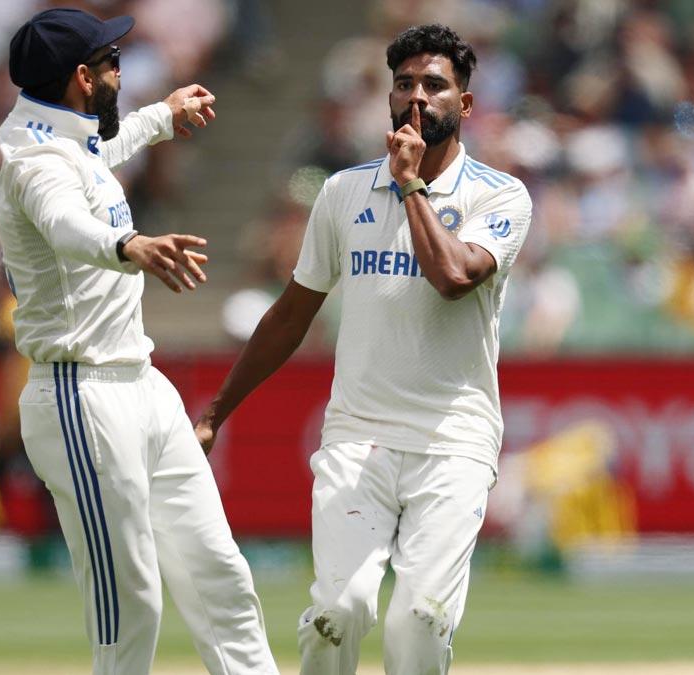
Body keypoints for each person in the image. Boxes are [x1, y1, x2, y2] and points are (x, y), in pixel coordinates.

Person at [196, 24, 533, 675]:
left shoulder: (500, 195)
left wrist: (410, 188)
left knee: (419, 620)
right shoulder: (342, 192)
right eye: (403, 83)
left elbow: (455, 278)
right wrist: (216, 411)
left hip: (454, 439)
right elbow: (293, 313)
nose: (415, 97)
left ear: (464, 105)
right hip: (358, 434)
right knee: (337, 613)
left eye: (434, 86)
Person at [0, 8, 278, 675]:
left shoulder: (68, 142)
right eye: (111, 60)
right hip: (79, 394)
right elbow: (65, 223)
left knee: (220, 575)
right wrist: (130, 244)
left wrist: (161, 116)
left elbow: (99, 154)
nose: (123, 70)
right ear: (80, 78)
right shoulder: (34, 164)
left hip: (142, 384)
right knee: (131, 606)